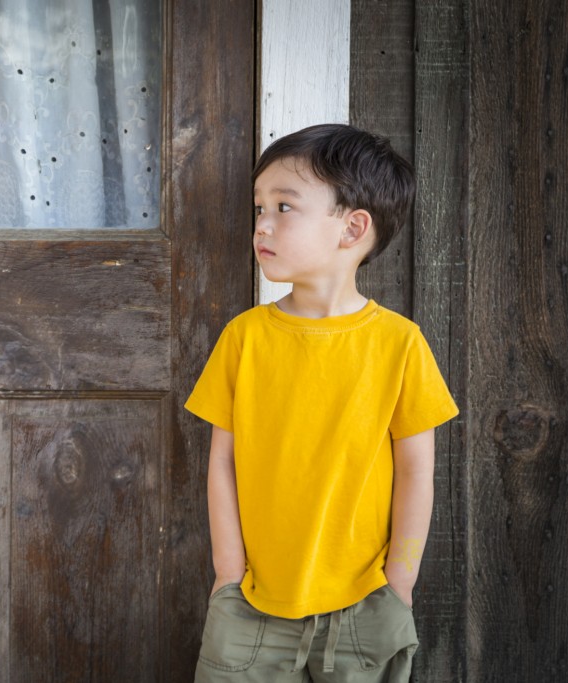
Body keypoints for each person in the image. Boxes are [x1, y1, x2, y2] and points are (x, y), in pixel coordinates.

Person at [186, 123, 459, 682]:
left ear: (352, 227)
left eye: (284, 206)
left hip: (366, 603)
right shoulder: (245, 337)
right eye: (259, 207)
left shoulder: (400, 344)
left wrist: (399, 583)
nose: (262, 223)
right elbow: (222, 462)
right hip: (251, 604)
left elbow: (416, 471)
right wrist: (227, 572)